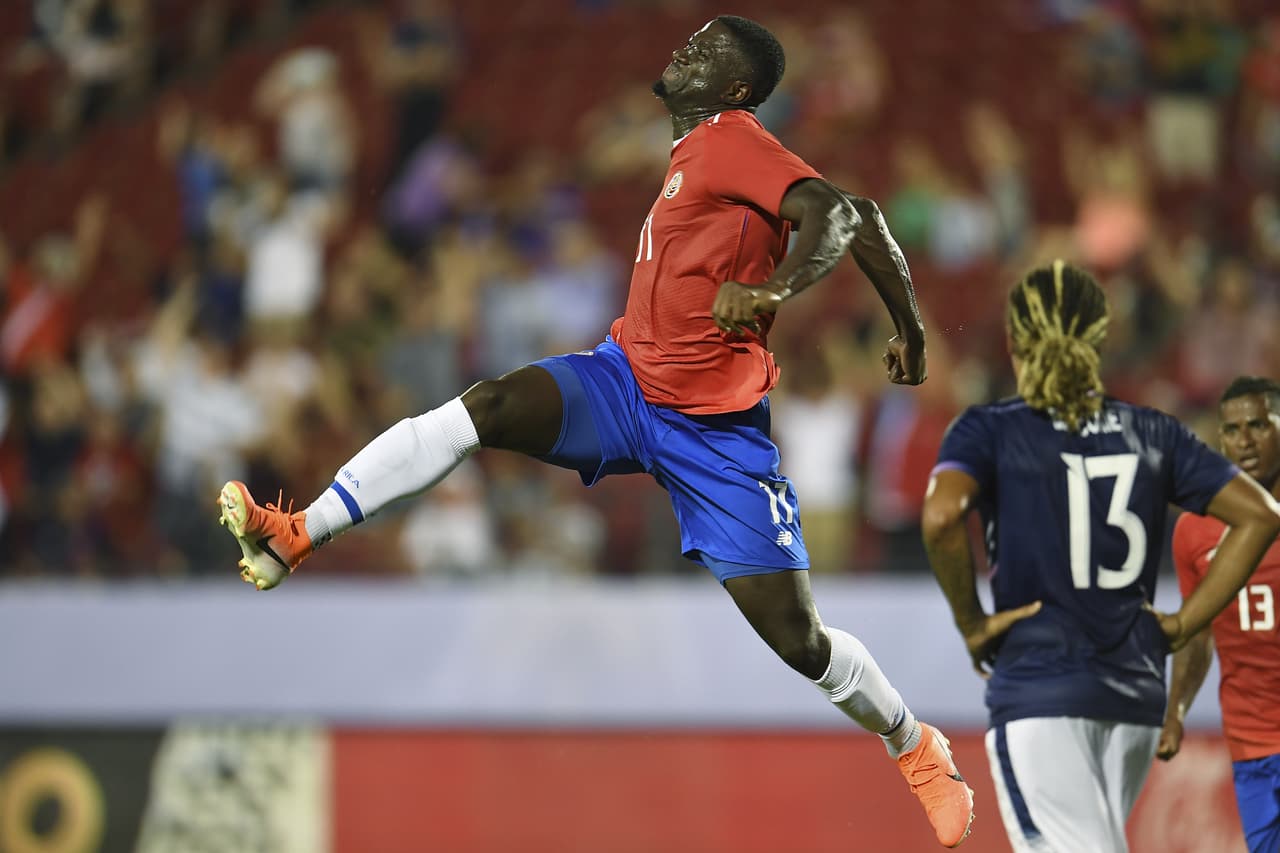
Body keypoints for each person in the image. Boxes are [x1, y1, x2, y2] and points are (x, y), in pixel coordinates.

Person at [216, 15, 976, 848]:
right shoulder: (700, 149)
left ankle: (915, 744)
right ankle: (298, 532)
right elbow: (861, 216)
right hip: (625, 378)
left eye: (707, 49)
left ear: (733, 88)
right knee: (488, 407)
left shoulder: (731, 139)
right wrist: (911, 326)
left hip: (714, 435)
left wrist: (774, 295)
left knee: (798, 639)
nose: (685, 47)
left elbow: (836, 215)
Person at [920, 261, 1280, 853]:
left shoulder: (988, 429)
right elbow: (1260, 514)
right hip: (1135, 695)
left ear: (1013, 342)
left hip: (1040, 690)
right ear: (1101, 336)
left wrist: (971, 622)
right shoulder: (1154, 431)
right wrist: (1187, 623)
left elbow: (939, 517)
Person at [1160, 376, 1280, 853]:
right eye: (1232, 430)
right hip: (1251, 739)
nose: (1244, 440)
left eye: (1258, 425)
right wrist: (1176, 712)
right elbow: (1196, 632)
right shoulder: (1194, 530)